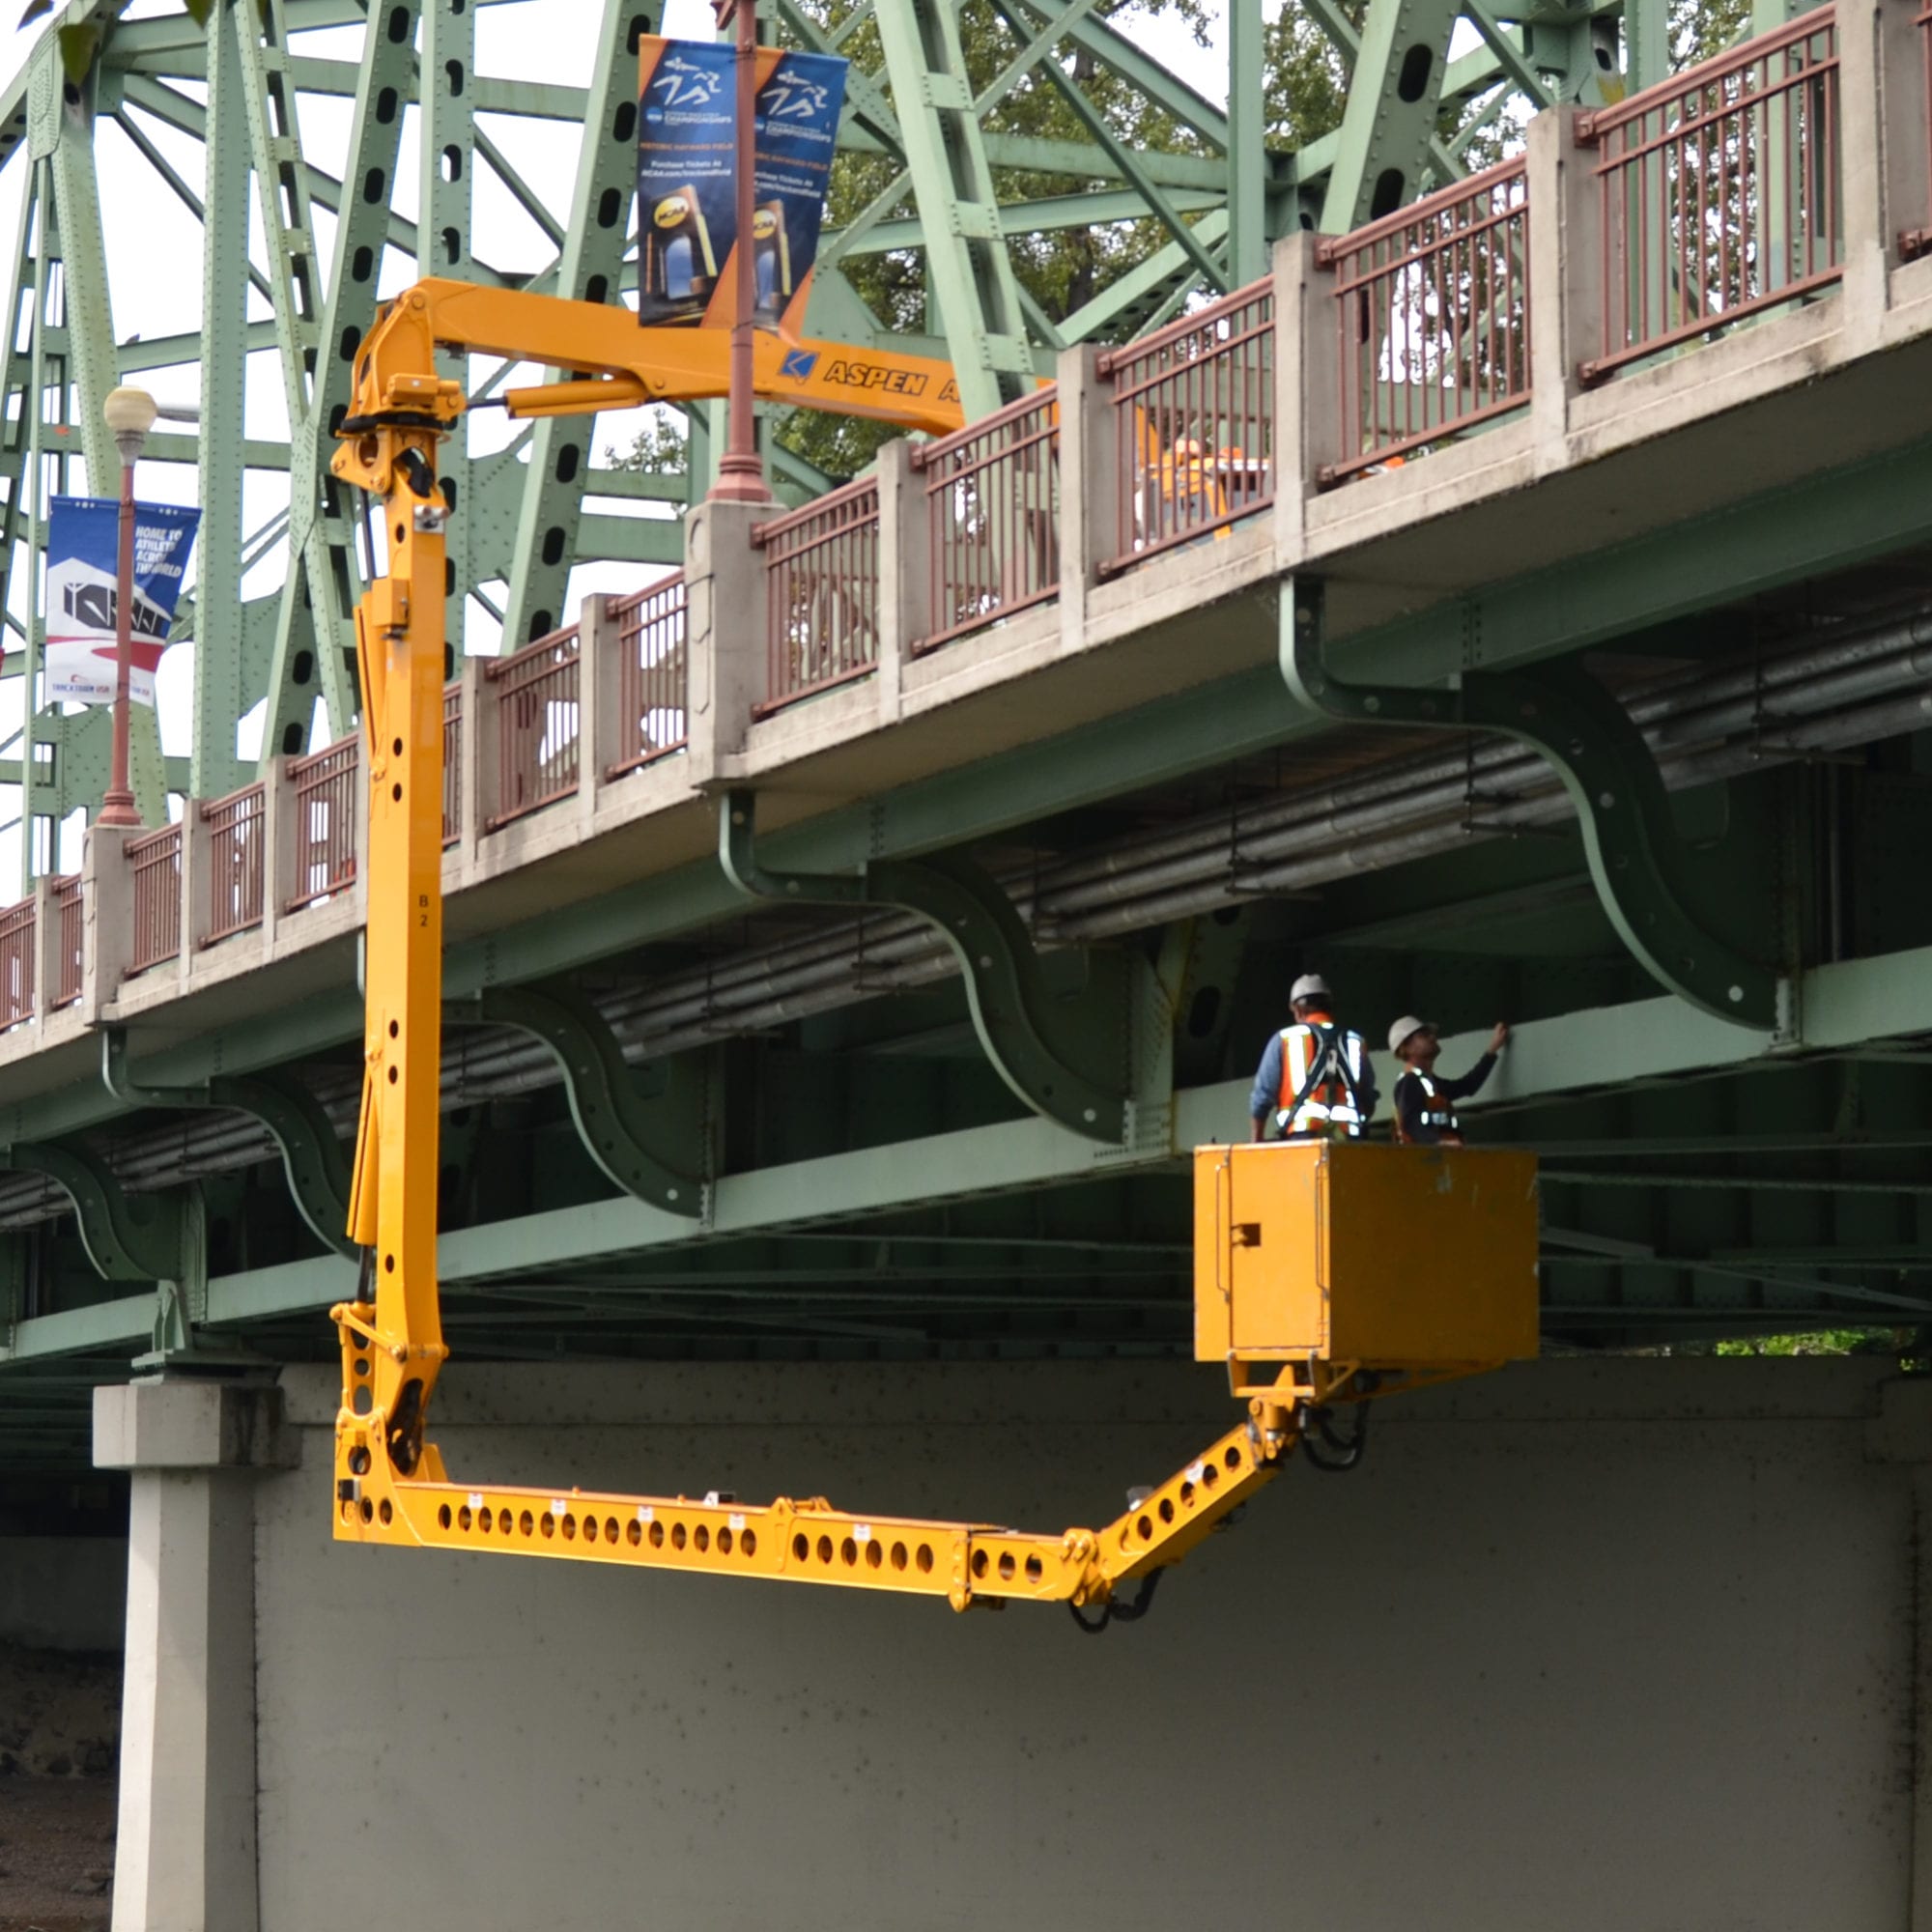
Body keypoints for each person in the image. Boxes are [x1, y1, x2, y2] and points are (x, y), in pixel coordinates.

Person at [1248, 973, 1377, 1142]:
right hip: (1348, 1139)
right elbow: (1367, 1100)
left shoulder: (1284, 1039)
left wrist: (1256, 1140)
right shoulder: (1355, 1041)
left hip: (1302, 1139)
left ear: (1299, 1010)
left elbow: (1262, 1098)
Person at [1388, 1016, 1511, 1147]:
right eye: (1423, 1035)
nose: (1432, 1038)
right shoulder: (1409, 1082)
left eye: (1430, 1034)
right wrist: (1438, 1142)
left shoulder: (1430, 1084)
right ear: (1406, 1048)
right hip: (1424, 1160)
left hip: (1436, 1158)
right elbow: (1410, 1122)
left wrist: (1493, 1049)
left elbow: (1468, 1085)